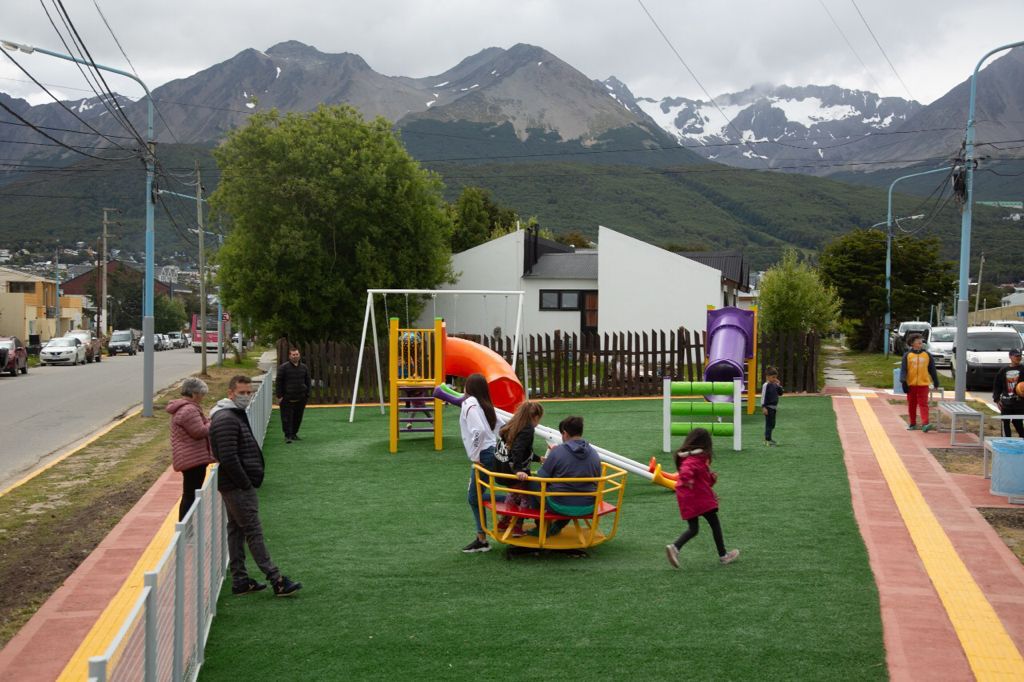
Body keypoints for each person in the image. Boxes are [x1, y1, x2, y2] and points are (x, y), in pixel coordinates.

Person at [210, 375, 302, 596]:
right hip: (237, 486)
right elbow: (228, 457)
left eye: (248, 392)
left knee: (236, 529)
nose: (246, 396)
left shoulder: (232, 415)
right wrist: (245, 483)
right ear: (230, 393)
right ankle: (276, 579)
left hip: (235, 484)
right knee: (252, 530)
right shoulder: (226, 419)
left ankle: (240, 580)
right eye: (241, 393)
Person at [665, 428, 739, 568]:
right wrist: (688, 479)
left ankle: (675, 548)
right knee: (714, 524)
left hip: (687, 497)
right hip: (697, 497)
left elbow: (702, 480)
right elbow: (687, 471)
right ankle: (723, 555)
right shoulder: (695, 459)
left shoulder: (692, 459)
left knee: (694, 528)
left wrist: (711, 478)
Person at [530, 415, 601, 537]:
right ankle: (558, 525)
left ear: (565, 433)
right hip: (589, 505)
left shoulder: (558, 451)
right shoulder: (594, 453)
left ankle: (541, 526)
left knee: (532, 483)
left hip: (560, 504)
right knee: (570, 492)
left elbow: (542, 477)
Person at [459, 373, 502, 553]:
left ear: (469, 388)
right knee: (478, 495)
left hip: (483, 455)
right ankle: (481, 537)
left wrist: (475, 456)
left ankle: (481, 539)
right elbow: (499, 426)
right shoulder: (485, 404)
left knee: (473, 497)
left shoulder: (469, 404)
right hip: (492, 452)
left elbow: (479, 431)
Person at [167, 377, 216, 521]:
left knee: (190, 493)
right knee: (190, 494)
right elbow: (199, 431)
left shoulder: (186, 408)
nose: (202, 398)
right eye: (202, 394)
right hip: (192, 458)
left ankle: (187, 525)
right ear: (194, 394)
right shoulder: (189, 410)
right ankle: (185, 525)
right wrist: (213, 422)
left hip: (191, 457)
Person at [496, 400, 544, 537]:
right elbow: (518, 450)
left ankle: (503, 522)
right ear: (535, 417)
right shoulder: (527, 429)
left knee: (513, 494)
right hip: (515, 470)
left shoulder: (512, 425)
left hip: (502, 468)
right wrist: (518, 471)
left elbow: (519, 450)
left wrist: (537, 458)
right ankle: (517, 526)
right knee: (526, 497)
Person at [899, 333, 940, 432]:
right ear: (912, 343)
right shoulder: (907, 355)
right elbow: (903, 370)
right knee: (912, 404)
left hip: (923, 384)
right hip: (911, 384)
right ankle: (912, 423)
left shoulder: (927, 355)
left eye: (921, 340)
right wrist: (903, 381)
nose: (920, 342)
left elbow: (932, 369)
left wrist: (936, 381)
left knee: (923, 404)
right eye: (917, 340)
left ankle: (925, 423)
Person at [276, 347, 311, 443]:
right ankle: (288, 436)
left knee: (298, 418)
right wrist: (279, 396)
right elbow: (278, 382)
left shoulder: (304, 367)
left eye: (297, 354)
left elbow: (308, 381)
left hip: (301, 398)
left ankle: (294, 434)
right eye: (293, 354)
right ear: (289, 356)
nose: (295, 356)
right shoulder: (283, 368)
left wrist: (307, 394)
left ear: (299, 355)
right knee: (287, 418)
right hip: (287, 399)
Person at [992, 348, 1024, 437]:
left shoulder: (1023, 369)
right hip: (1006, 402)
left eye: (1020, 356)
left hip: (1019, 402)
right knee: (1005, 423)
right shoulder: (1003, 370)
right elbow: (997, 385)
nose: (1018, 357)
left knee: (1018, 423)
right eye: (1016, 356)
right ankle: (1006, 442)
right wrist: (997, 399)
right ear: (1010, 357)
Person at [761, 367, 784, 446]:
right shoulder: (766, 385)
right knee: (769, 424)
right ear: (767, 377)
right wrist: (763, 407)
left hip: (774, 408)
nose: (775, 379)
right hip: (768, 408)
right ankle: (767, 440)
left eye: (775, 377)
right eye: (773, 377)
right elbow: (763, 396)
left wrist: (779, 385)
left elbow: (781, 393)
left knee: (773, 424)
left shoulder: (775, 385)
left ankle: (768, 438)